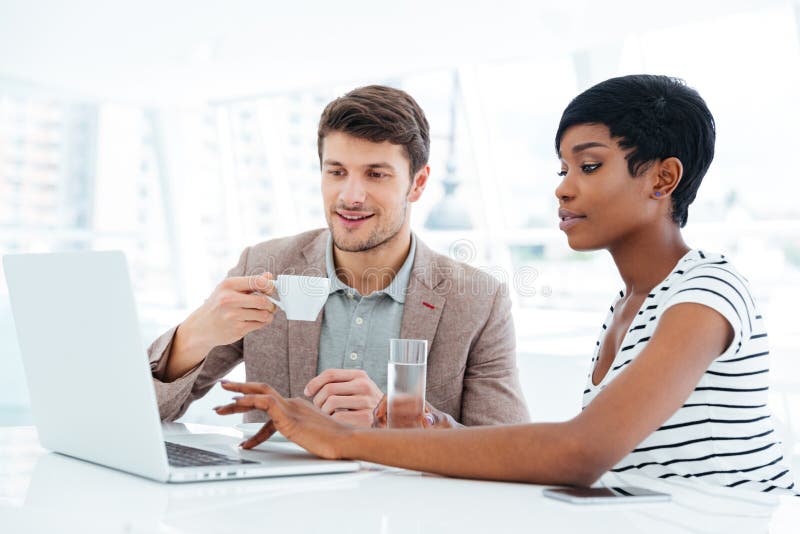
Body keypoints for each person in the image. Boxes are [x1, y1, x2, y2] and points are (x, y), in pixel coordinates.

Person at [214, 75, 796, 494]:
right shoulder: (633, 304)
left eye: (588, 166)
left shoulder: (706, 294)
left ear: (663, 178)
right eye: (562, 168)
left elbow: (581, 451)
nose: (563, 189)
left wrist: (343, 438)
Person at [149, 85, 529, 428]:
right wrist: (195, 334)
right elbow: (144, 411)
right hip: (275, 502)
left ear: (418, 184)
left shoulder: (477, 301)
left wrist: (396, 416)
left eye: (376, 174)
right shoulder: (265, 269)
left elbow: (509, 452)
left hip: (409, 504)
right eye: (336, 171)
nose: (351, 196)